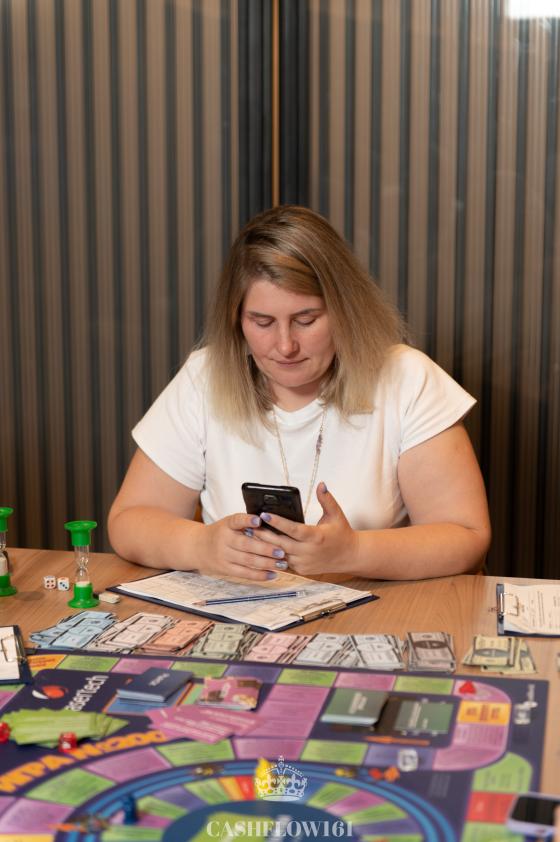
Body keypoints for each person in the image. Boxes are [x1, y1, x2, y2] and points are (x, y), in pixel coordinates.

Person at [108, 205, 491, 582]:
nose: (285, 345)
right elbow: (129, 521)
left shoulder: (407, 379)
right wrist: (202, 546)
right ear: (236, 320)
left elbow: (466, 536)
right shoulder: (203, 377)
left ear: (345, 311)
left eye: (306, 320)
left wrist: (353, 552)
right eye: (262, 322)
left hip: (376, 611)